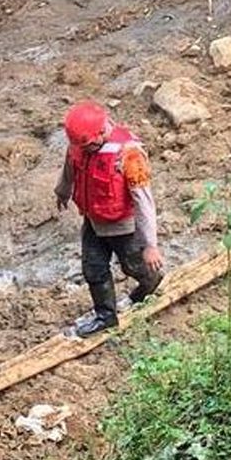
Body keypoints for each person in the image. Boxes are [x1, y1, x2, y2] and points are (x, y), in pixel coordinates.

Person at [54, 101, 165, 337]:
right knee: (93, 269)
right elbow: (70, 168)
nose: (85, 150)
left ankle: (149, 285)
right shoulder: (80, 147)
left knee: (135, 267)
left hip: (124, 227)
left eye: (89, 146)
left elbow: (143, 201)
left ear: (102, 133)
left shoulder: (129, 155)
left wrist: (151, 245)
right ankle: (106, 316)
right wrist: (62, 191)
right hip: (94, 220)